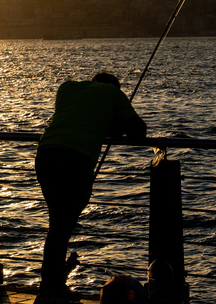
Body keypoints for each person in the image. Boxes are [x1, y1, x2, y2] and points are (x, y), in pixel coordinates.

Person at [36, 72, 146, 304]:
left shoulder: (67, 88)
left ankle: (52, 287)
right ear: (115, 87)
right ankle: (50, 291)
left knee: (57, 226)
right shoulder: (113, 92)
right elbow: (138, 131)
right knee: (60, 228)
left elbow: (81, 118)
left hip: (46, 154)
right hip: (75, 160)